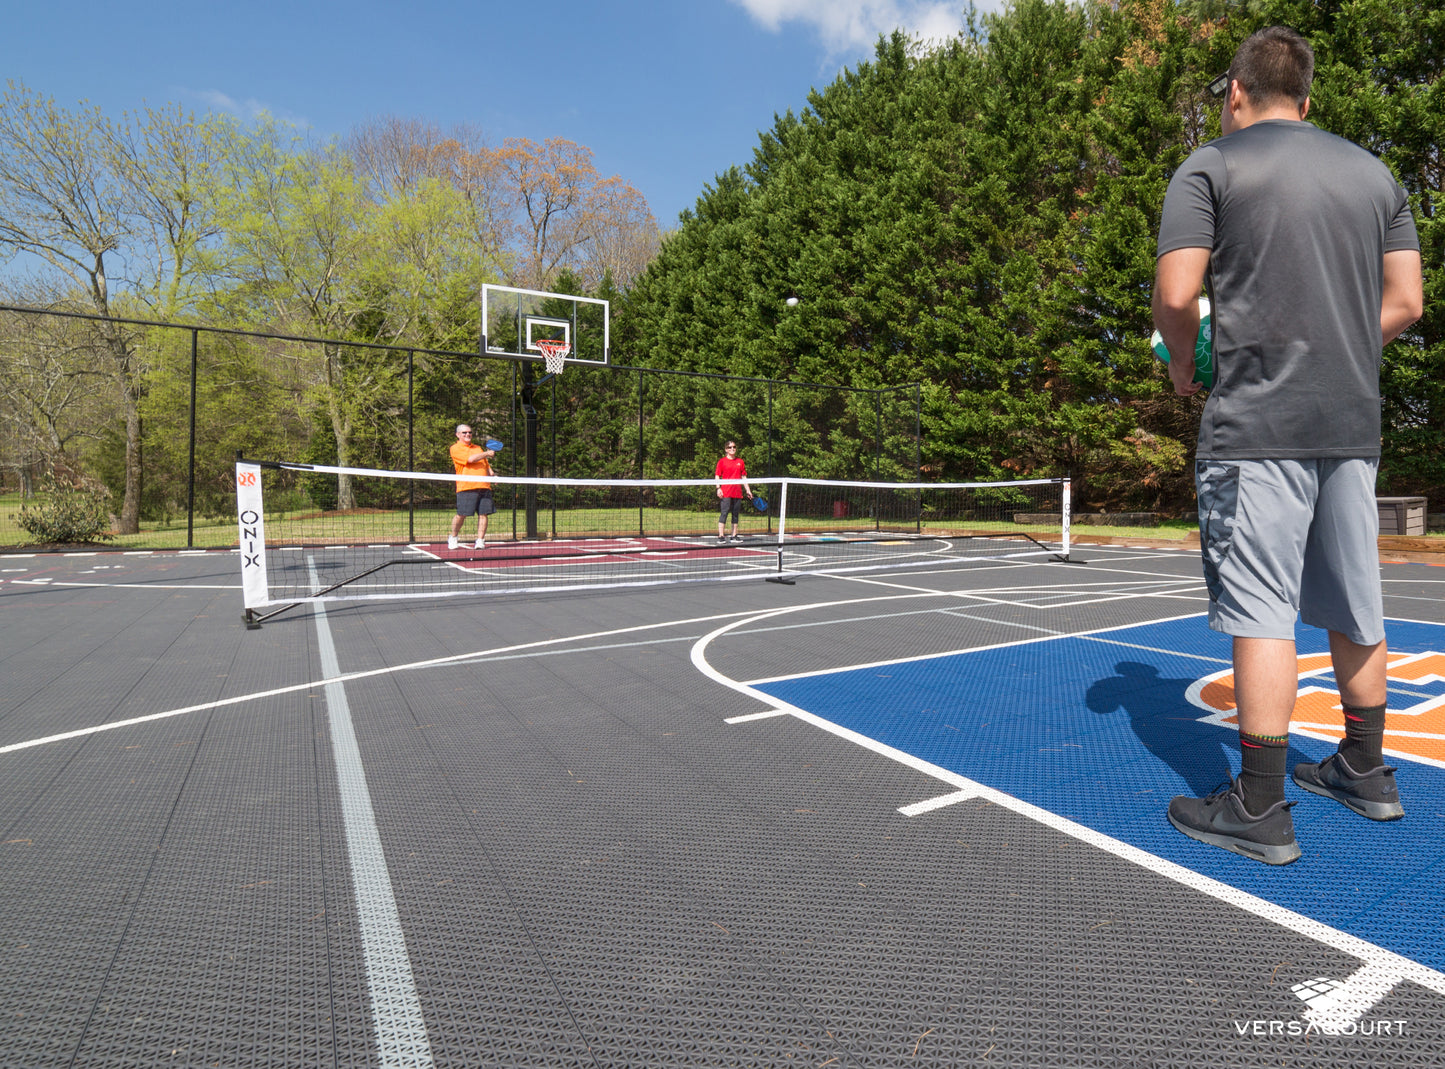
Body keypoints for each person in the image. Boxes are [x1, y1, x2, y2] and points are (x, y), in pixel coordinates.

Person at [1153, 26, 1423, 865]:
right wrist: (1335, 340)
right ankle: (1365, 769)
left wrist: (1182, 366)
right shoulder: (1373, 174)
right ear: (1306, 101)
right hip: (1350, 418)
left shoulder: (1212, 167)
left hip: (1258, 422)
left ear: (1235, 92)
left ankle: (1261, 805)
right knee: (1354, 599)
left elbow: (1175, 291)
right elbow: (1406, 301)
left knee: (1263, 606)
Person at [448, 425, 497, 550]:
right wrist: (487, 453)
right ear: (458, 435)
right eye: (464, 432)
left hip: (484, 486)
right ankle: (453, 537)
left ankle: (480, 540)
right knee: (461, 514)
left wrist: (492, 474)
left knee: (483, 514)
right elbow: (470, 459)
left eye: (469, 432)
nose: (467, 434)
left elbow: (485, 465)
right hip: (466, 487)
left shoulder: (478, 448)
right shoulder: (455, 448)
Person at [714, 440, 752, 544]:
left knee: (735, 514)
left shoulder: (740, 461)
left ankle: (734, 535)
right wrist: (718, 488)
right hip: (726, 492)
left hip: (737, 492)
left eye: (734, 447)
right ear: (726, 449)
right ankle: (721, 536)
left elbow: (744, 477)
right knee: (724, 513)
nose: (732, 449)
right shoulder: (722, 461)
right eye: (730, 447)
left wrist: (748, 490)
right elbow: (717, 475)